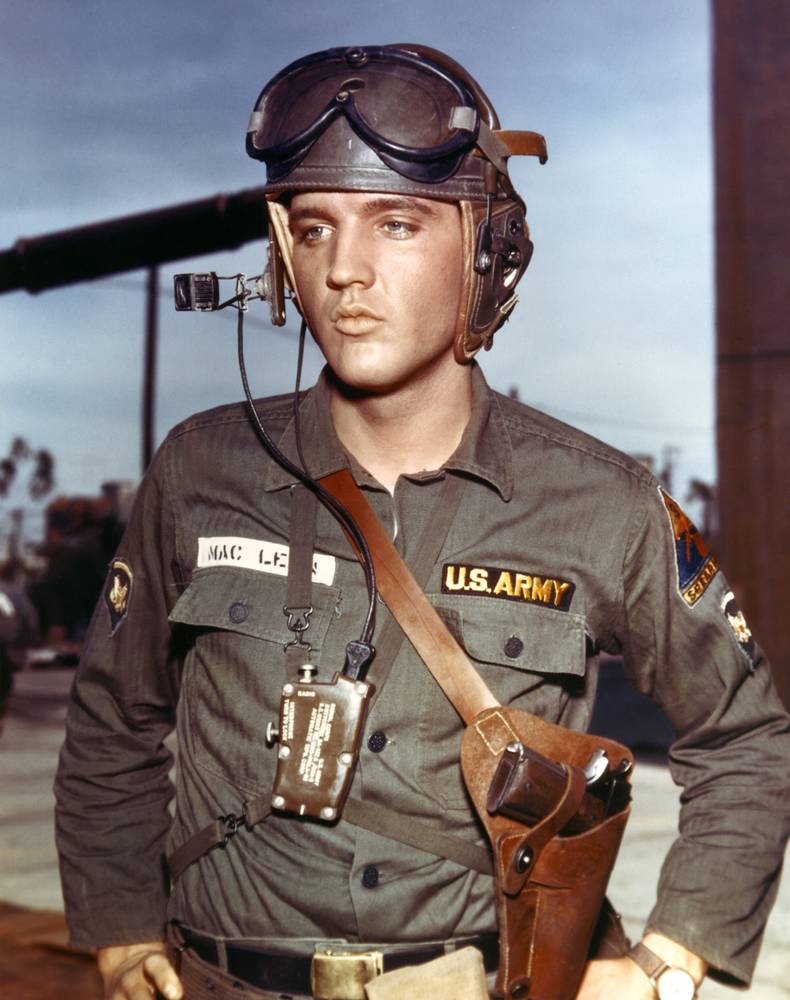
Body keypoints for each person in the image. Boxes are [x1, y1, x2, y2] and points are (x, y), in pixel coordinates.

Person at [54, 44, 790, 1000]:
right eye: (314, 230)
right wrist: (117, 926)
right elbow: (113, 720)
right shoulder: (200, 469)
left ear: (483, 251)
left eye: (396, 224)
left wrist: (674, 956)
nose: (345, 271)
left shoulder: (600, 502)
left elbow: (744, 737)